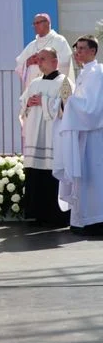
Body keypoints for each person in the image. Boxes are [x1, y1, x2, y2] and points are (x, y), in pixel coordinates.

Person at [53, 35, 103, 236]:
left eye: (82, 48)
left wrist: (70, 102)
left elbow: (93, 108)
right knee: (85, 176)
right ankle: (83, 219)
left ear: (93, 51)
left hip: (95, 136)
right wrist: (64, 102)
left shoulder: (97, 73)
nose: (77, 52)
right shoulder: (84, 74)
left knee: (95, 175)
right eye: (76, 48)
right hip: (84, 135)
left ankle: (96, 219)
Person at [18, 47, 71, 227]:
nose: (39, 62)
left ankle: (56, 216)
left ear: (55, 61)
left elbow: (68, 107)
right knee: (36, 173)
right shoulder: (34, 83)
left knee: (51, 173)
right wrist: (29, 102)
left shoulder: (64, 82)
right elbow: (23, 105)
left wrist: (44, 102)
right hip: (35, 135)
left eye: (43, 59)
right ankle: (37, 214)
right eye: (38, 59)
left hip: (53, 136)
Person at [15, 13, 73, 94]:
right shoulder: (32, 45)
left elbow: (65, 62)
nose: (35, 26)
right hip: (34, 89)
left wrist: (45, 60)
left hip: (52, 89)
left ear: (48, 23)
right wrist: (28, 62)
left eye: (38, 23)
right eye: (34, 24)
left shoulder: (59, 40)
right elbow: (19, 65)